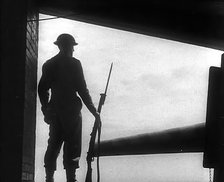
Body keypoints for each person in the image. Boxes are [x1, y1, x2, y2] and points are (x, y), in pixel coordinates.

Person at [38, 33, 100, 182]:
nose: (73, 50)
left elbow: (42, 89)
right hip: (72, 111)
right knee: (72, 146)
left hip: (55, 111)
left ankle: (49, 179)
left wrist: (46, 109)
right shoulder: (74, 64)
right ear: (69, 47)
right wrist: (94, 111)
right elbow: (83, 90)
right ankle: (71, 179)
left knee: (53, 144)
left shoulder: (49, 64)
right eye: (73, 46)